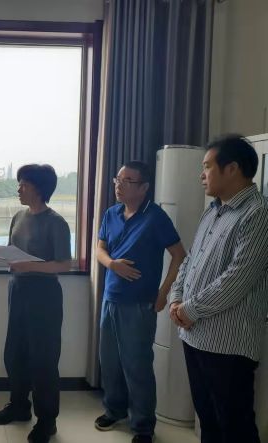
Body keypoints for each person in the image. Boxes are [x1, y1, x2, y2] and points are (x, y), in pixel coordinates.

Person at [169, 135, 268, 443]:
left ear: (232, 169)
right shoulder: (213, 210)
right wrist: (176, 298)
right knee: (208, 419)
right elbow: (190, 260)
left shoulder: (258, 213)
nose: (202, 175)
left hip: (228, 343)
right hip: (195, 334)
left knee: (235, 426)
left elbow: (238, 278)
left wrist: (189, 309)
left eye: (207, 167)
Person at [95, 161, 186, 443]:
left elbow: (180, 255)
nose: (119, 185)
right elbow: (99, 248)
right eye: (117, 179)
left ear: (144, 187)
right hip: (110, 298)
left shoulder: (155, 217)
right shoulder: (111, 213)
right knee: (109, 361)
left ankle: (143, 425)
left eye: (127, 181)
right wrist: (112, 264)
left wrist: (164, 293)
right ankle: (114, 410)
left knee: (137, 366)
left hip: (139, 303)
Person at [0, 164, 71, 443]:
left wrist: (29, 266)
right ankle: (19, 406)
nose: (19, 188)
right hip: (18, 290)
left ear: (39, 188)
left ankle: (47, 421)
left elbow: (64, 264)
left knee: (43, 359)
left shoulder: (56, 222)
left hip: (44, 296)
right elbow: (14, 253)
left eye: (23, 183)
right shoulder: (18, 216)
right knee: (15, 353)